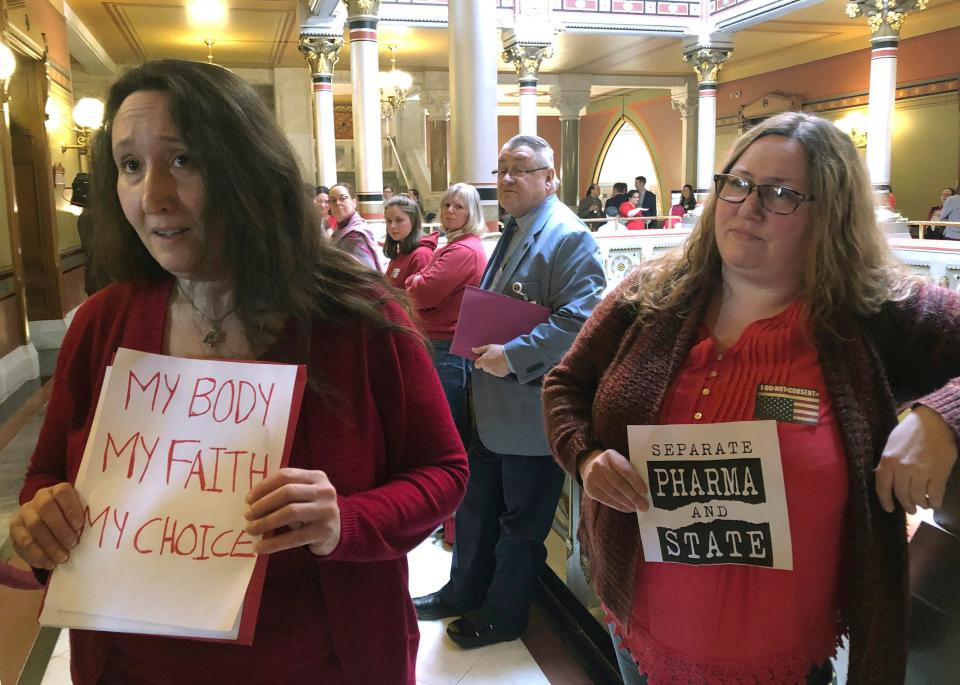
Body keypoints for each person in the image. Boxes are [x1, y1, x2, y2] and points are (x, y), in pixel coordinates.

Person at [8, 59, 467, 685]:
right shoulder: (103, 325)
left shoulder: (358, 319)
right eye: (130, 166)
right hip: (133, 668)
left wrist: (344, 521)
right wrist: (41, 517)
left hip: (324, 664)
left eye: (184, 160)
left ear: (248, 167)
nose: (152, 197)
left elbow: (443, 472)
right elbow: (47, 478)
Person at [542, 111, 960, 684]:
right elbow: (565, 386)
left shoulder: (875, 316)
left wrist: (942, 418)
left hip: (787, 657)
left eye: (782, 194)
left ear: (830, 215)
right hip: (636, 627)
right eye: (737, 183)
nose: (748, 206)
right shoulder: (648, 297)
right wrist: (585, 458)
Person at [413, 135, 606, 650]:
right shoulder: (517, 229)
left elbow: (581, 319)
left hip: (529, 412)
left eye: (521, 169)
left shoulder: (568, 236)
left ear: (550, 178)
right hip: (489, 407)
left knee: (520, 526)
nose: (507, 179)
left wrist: (515, 354)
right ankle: (462, 591)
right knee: (475, 511)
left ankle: (504, 616)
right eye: (502, 169)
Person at [404, 183, 487, 441]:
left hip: (448, 348)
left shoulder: (463, 250)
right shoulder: (454, 245)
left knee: (446, 429)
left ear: (471, 212)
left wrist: (414, 281)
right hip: (441, 344)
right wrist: (416, 280)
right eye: (446, 205)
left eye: (458, 206)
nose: (450, 211)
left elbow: (421, 292)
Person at [383, 195, 436, 289]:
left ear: (413, 221)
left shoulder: (422, 255)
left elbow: (419, 298)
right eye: (388, 221)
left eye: (399, 220)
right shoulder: (401, 250)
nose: (392, 226)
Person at [329, 183, 381, 271]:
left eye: (343, 198)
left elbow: (365, 274)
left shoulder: (356, 235)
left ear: (354, 202)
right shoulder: (339, 230)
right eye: (333, 200)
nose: (337, 203)